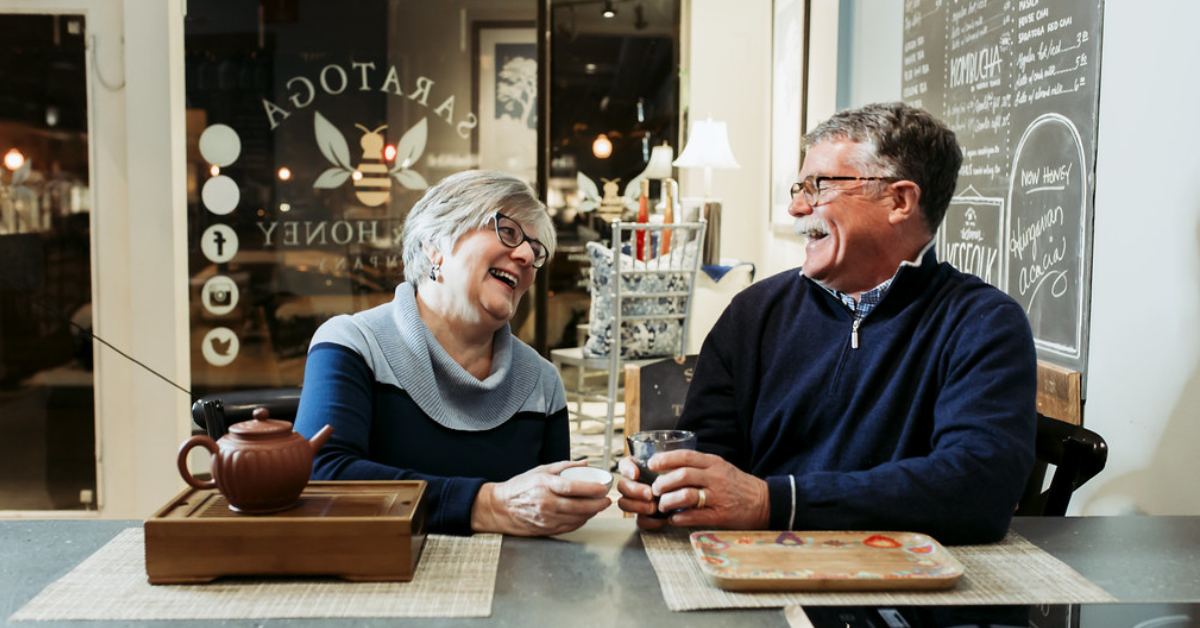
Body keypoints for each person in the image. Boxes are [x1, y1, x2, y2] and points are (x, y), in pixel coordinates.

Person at [616, 102, 1036, 544]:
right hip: (757, 580)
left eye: (818, 187)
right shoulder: (754, 313)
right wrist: (668, 489)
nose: (797, 208)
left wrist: (772, 502)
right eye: (799, 188)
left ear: (899, 200)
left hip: (914, 596)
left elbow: (978, 488)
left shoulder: (982, 323)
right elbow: (709, 454)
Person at [294, 170, 610, 536]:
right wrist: (487, 505)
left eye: (536, 250)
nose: (526, 254)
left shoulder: (541, 380)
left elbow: (552, 518)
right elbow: (321, 477)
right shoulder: (354, 344)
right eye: (508, 231)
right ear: (435, 243)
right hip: (379, 587)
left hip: (510, 589)